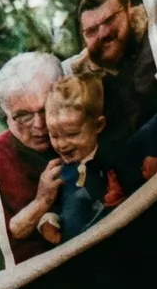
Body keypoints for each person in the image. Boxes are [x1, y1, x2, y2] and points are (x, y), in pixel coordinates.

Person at [62, 0, 157, 158]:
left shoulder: (156, 38)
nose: (103, 33)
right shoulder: (81, 76)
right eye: (91, 31)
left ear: (129, 11)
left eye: (110, 20)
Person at [0, 52, 62, 263]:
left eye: (47, 109)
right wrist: (43, 200)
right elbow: (8, 234)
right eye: (24, 116)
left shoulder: (81, 129)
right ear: (5, 116)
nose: (39, 124)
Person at [40, 73, 122, 243]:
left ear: (98, 125)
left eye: (72, 134)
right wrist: (48, 221)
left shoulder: (112, 157)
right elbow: (57, 204)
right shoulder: (59, 172)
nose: (62, 144)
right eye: (54, 136)